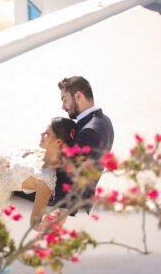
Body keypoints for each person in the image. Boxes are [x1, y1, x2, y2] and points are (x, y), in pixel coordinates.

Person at [16, 76, 114, 223]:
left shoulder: (89, 131)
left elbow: (71, 175)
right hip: (81, 191)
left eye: (64, 100)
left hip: (69, 197)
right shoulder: (103, 120)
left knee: (9, 184)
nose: (63, 106)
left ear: (78, 96)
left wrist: (60, 213)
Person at [0, 116, 76, 230]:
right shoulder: (40, 152)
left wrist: (46, 225)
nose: (41, 135)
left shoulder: (47, 178)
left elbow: (35, 223)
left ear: (58, 142)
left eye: (47, 133)